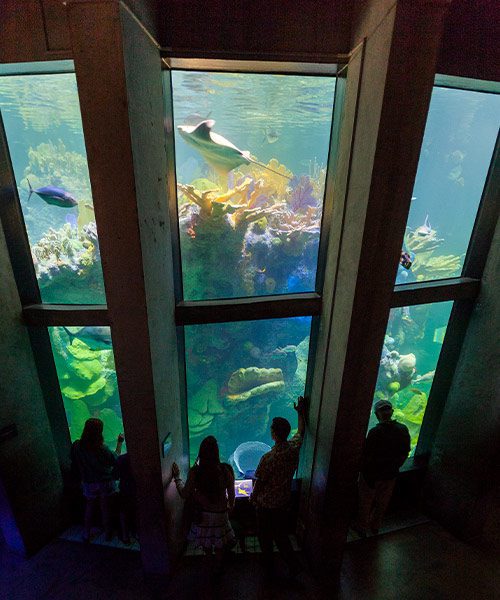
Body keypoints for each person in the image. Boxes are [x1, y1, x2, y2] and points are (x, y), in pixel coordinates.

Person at [251, 396, 307, 578]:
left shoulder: (268, 458)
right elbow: (301, 432)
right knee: (281, 536)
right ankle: (293, 565)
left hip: (266, 505)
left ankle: (268, 567)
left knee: (265, 537)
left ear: (274, 434)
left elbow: (259, 481)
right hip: (283, 501)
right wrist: (301, 413)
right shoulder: (293, 447)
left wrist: (252, 496)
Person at [172, 436, 236, 573]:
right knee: (220, 543)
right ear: (217, 452)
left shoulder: (195, 472)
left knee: (206, 541)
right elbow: (232, 496)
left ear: (201, 452)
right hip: (221, 515)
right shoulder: (226, 470)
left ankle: (209, 560)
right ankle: (218, 568)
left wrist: (177, 478)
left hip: (203, 515)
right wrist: (229, 509)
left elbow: (184, 493)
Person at [353, 399, 411, 537]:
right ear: (392, 411)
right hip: (390, 474)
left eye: (384, 410)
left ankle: (362, 528)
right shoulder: (402, 429)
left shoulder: (375, 432)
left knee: (365, 502)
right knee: (382, 503)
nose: (385, 412)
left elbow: (367, 454)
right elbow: (405, 451)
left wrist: (363, 469)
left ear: (376, 414)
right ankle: (375, 526)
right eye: (384, 409)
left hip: (371, 476)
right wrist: (396, 466)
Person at [71, 418, 124, 542]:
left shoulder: (77, 445)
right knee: (105, 508)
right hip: (104, 482)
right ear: (99, 432)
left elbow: (73, 460)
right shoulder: (102, 448)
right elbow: (115, 458)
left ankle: (86, 533)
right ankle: (107, 534)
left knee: (89, 507)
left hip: (88, 483)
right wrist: (120, 442)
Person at [115, 451, 136, 545]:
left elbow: (115, 475)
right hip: (139, 490)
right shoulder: (143, 457)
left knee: (123, 512)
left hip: (125, 489)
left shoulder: (121, 459)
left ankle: (125, 536)